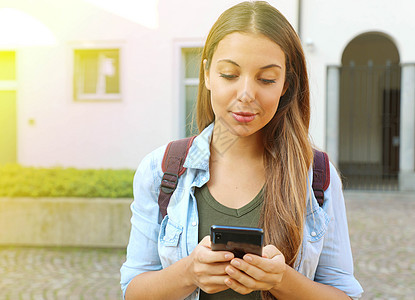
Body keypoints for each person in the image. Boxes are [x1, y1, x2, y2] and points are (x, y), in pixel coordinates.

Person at [120, 1, 363, 299]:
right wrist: (188, 273)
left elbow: (345, 295)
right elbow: (132, 291)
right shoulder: (161, 170)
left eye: (266, 79)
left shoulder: (317, 175)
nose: (246, 94)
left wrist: (282, 280)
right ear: (207, 74)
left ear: (286, 84)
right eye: (229, 75)